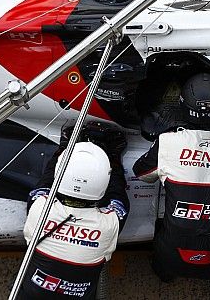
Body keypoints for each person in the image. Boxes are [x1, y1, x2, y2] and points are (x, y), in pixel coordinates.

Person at [132, 72, 210, 281]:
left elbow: (141, 174)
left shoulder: (168, 141)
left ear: (183, 105)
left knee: (165, 257)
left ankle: (166, 276)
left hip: (171, 255)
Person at [17, 125, 129, 299]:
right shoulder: (108, 225)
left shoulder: (40, 209)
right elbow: (118, 201)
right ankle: (112, 157)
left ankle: (64, 147)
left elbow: (44, 187)